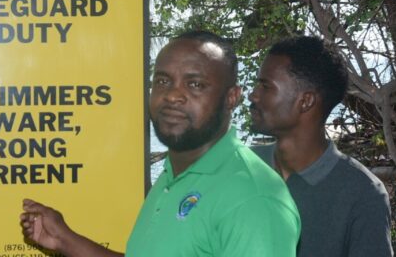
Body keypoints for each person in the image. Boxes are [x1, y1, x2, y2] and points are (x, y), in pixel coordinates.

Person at [20, 31, 300, 256]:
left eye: (195, 84)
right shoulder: (174, 175)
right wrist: (66, 240)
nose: (173, 95)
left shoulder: (252, 199)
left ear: (231, 98)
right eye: (163, 81)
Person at [248, 36, 393, 256]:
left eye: (266, 86)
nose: (253, 95)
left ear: (306, 101)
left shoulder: (363, 194)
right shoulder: (237, 168)